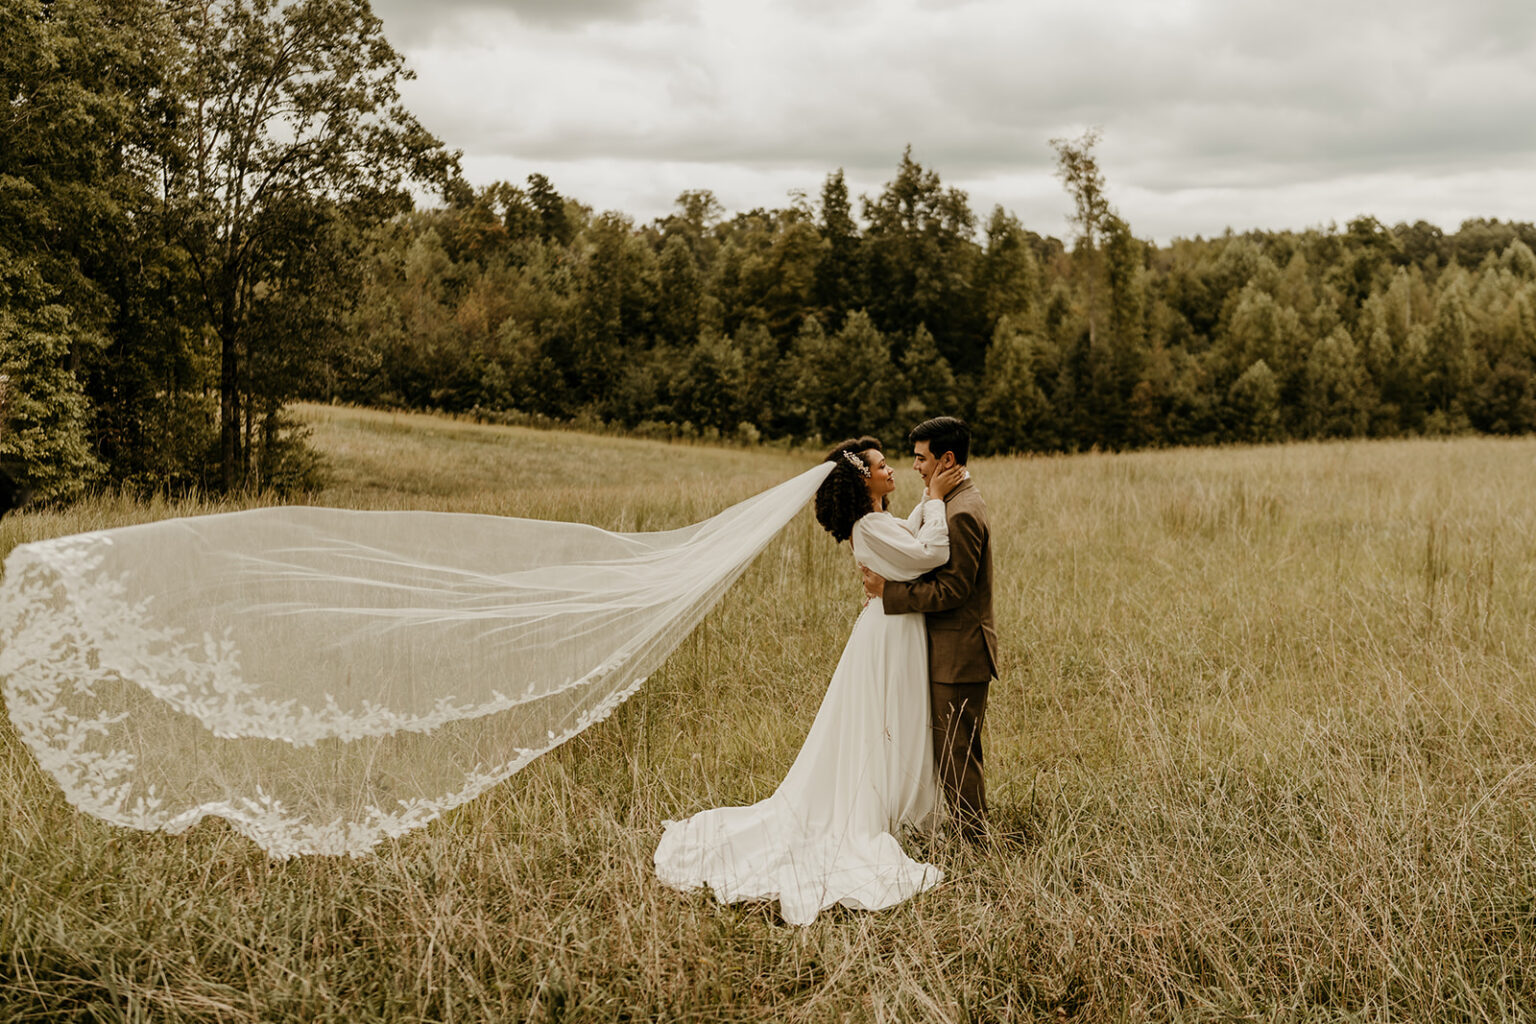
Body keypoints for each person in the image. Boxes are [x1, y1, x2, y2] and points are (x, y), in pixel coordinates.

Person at [653, 436, 965, 924]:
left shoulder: (879, 522)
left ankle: (902, 811)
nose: (894, 471)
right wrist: (940, 502)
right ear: (864, 479)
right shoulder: (870, 526)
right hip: (889, 634)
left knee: (893, 718)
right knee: (886, 717)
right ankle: (892, 814)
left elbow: (908, 535)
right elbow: (928, 555)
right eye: (883, 466)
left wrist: (929, 502)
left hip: (893, 628)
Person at [862, 417, 996, 841]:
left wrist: (891, 592)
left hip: (960, 654)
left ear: (947, 459)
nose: (915, 466)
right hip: (947, 650)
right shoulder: (949, 501)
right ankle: (958, 830)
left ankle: (973, 840)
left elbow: (953, 590)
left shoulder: (961, 512)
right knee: (950, 748)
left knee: (956, 752)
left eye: (921, 458)